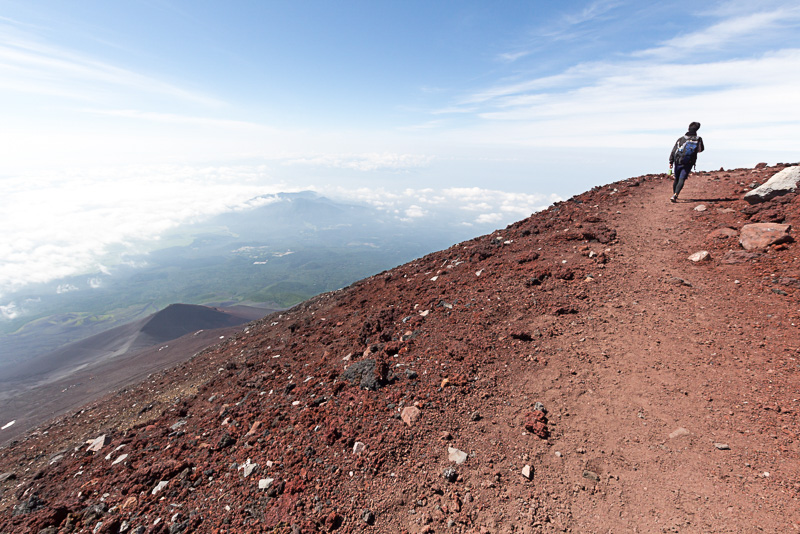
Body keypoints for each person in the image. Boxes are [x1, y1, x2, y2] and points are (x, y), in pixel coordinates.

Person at [668, 121, 704, 202]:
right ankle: (675, 195)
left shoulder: (681, 139)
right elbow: (700, 150)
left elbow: (674, 150)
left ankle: (674, 193)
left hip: (678, 161)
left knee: (676, 178)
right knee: (682, 178)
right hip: (689, 162)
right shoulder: (698, 139)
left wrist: (671, 161)